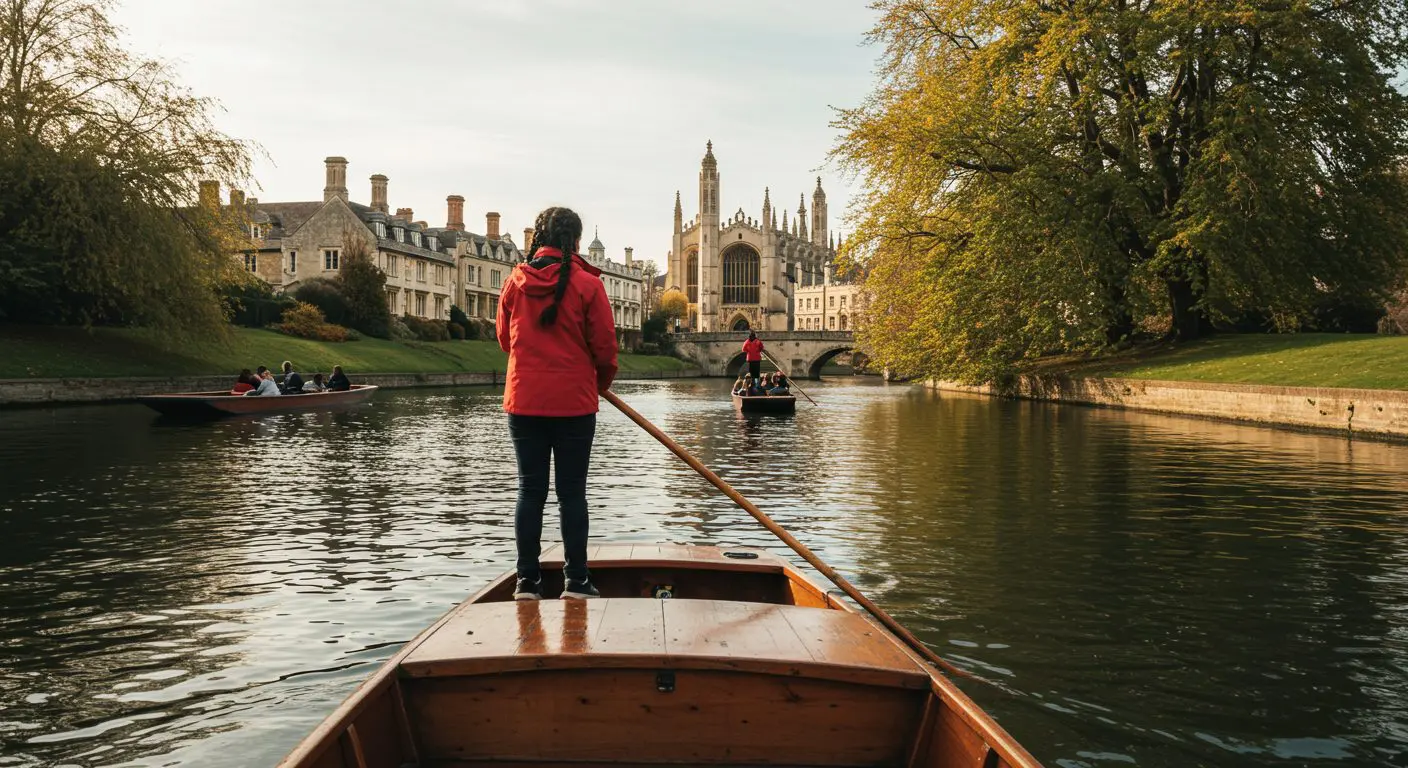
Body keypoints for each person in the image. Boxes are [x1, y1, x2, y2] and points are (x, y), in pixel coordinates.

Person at [498, 206, 618, 601]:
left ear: (538, 239)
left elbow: (505, 340)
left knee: (529, 491)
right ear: (577, 242)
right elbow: (605, 349)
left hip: (524, 399)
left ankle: (526, 582)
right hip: (574, 404)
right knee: (572, 493)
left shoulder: (515, 282)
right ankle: (577, 581)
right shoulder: (588, 285)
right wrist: (595, 384)